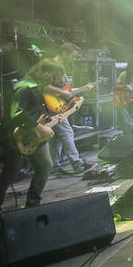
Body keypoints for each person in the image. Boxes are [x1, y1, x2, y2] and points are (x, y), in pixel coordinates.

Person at [0, 59, 65, 222]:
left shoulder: (36, 87)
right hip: (16, 137)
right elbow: (17, 113)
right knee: (9, 173)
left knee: (45, 165)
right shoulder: (23, 87)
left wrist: (51, 119)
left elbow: (34, 111)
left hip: (33, 135)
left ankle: (33, 204)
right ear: (47, 74)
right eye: (55, 77)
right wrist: (41, 127)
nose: (55, 82)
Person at [48, 42, 91, 175]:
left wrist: (83, 88)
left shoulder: (60, 68)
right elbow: (44, 86)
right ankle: (77, 164)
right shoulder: (52, 66)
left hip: (55, 105)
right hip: (52, 106)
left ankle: (54, 167)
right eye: (73, 56)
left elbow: (67, 90)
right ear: (64, 53)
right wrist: (64, 93)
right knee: (67, 133)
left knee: (56, 137)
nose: (74, 59)